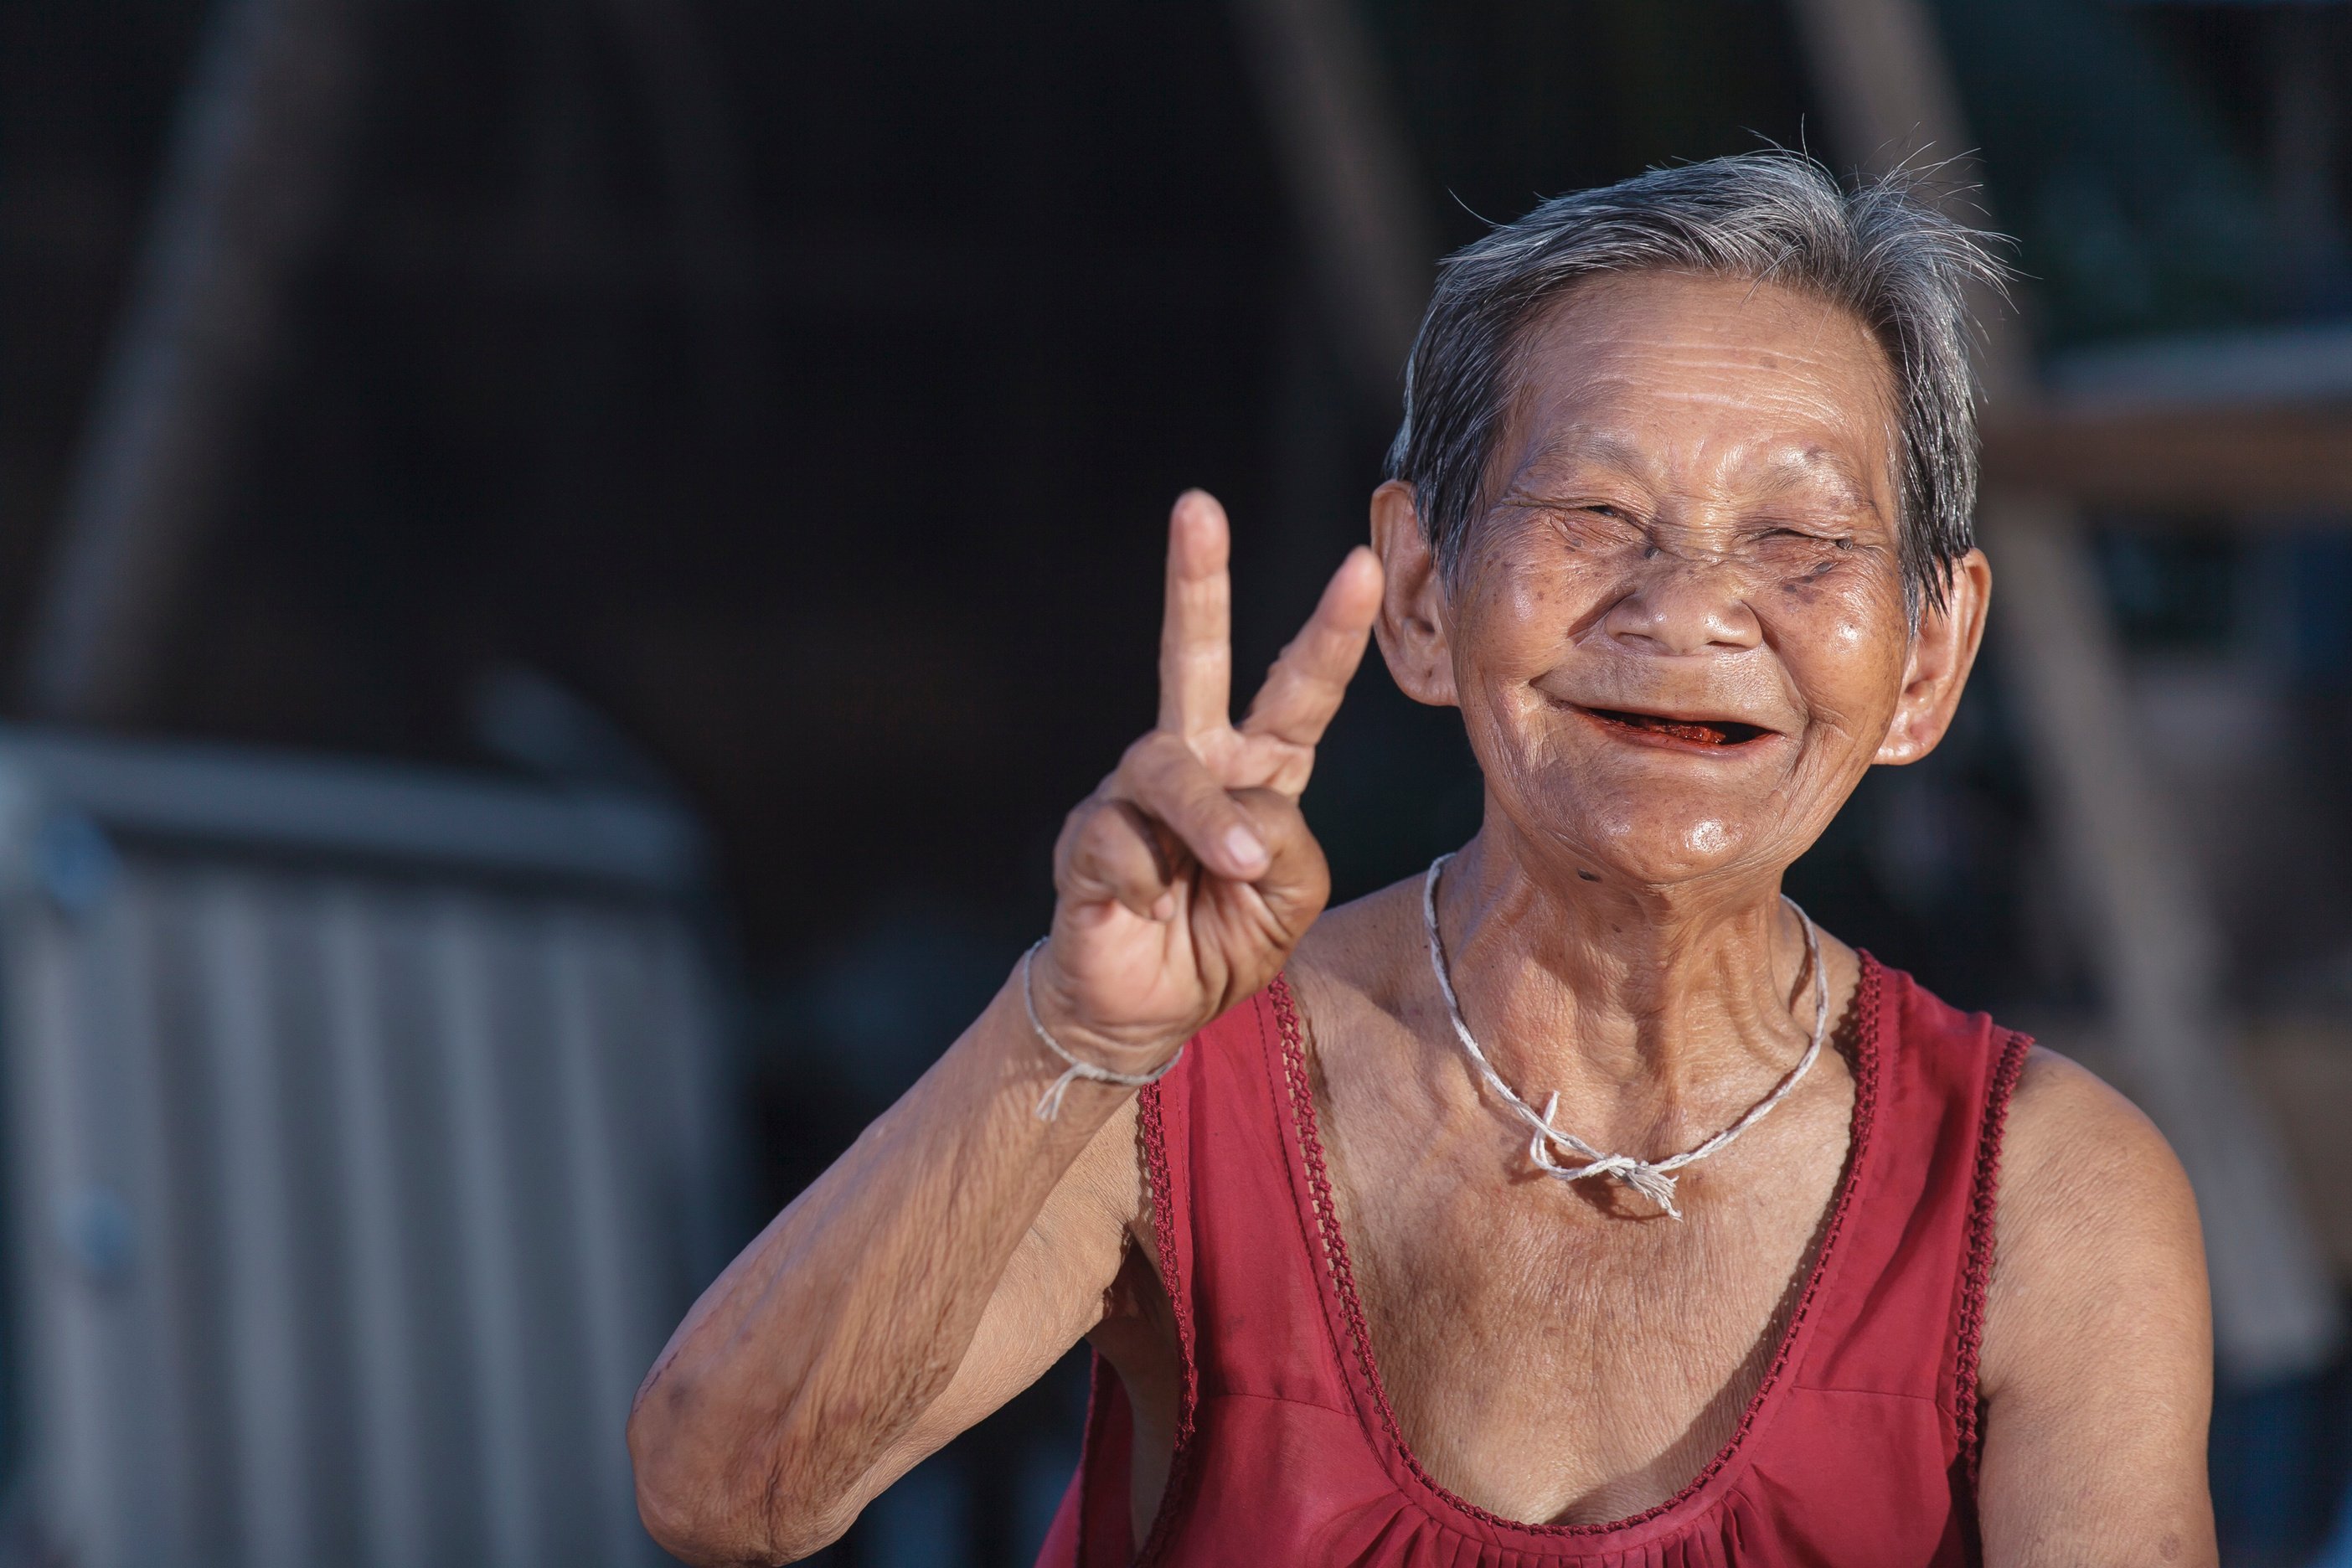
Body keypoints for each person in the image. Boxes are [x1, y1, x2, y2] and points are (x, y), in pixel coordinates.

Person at [627, 152, 2215, 1567]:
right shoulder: (1180, 1075)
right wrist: (1076, 1030)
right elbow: (722, 1494)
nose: (1689, 610)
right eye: (1596, 510)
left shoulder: (2048, 1199)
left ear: (1930, 663)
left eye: (1802, 541)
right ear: (1421, 597)